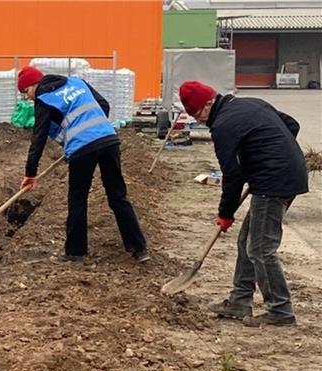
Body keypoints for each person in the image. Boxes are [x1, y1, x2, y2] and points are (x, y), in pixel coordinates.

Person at [179, 81, 308, 327]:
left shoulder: (223, 126)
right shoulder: (251, 103)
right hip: (285, 173)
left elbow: (232, 174)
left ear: (208, 103)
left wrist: (225, 214)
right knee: (247, 241)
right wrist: (268, 152)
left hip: (274, 182)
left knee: (260, 248)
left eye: (198, 114)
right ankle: (240, 301)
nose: (200, 121)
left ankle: (280, 310)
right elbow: (292, 125)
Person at [17, 66, 149, 263]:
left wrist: (30, 173)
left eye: (26, 91)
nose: (27, 97)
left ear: (35, 84)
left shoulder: (44, 98)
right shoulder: (76, 82)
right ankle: (139, 249)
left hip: (83, 149)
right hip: (109, 140)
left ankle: (76, 252)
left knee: (78, 198)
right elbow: (104, 105)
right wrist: (92, 130)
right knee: (118, 197)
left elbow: (39, 136)